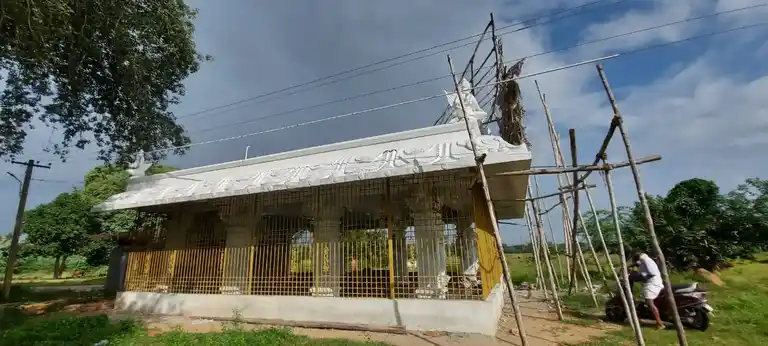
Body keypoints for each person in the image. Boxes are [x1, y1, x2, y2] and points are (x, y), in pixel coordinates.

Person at [629, 248, 665, 330]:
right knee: (647, 302)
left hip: (653, 284)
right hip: (652, 283)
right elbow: (638, 265)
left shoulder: (647, 261)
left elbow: (651, 273)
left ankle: (659, 323)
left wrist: (638, 276)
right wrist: (631, 267)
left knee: (650, 303)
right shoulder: (644, 260)